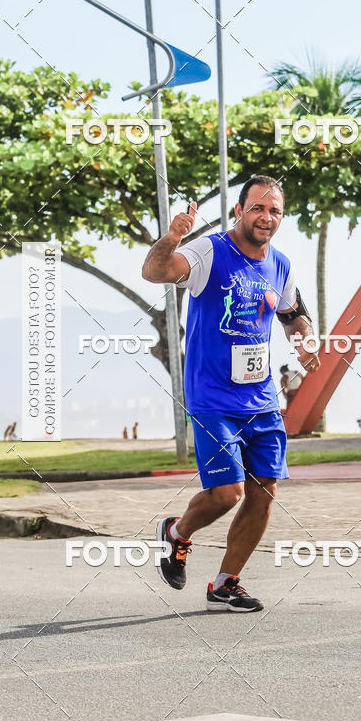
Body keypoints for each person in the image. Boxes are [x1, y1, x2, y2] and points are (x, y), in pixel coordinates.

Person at [142, 175, 320, 612]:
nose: (266, 217)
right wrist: (173, 237)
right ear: (239, 210)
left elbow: (293, 314)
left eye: (274, 210)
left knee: (264, 490)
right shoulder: (209, 251)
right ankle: (177, 533)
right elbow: (155, 272)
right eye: (257, 208)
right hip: (213, 398)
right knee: (227, 493)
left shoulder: (280, 264)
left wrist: (305, 342)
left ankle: (225, 584)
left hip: (261, 400)